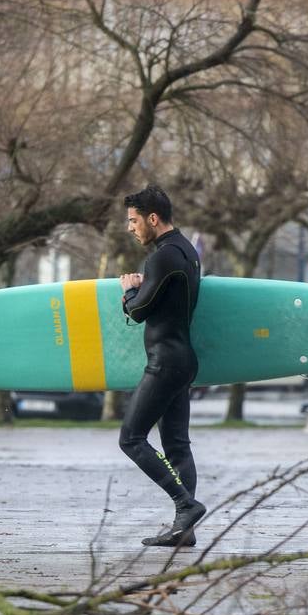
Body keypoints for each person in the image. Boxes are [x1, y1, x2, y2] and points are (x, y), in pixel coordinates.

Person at [118, 184, 206, 547]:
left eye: (134, 220)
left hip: (165, 361)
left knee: (131, 438)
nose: (131, 228)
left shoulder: (162, 257)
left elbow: (138, 312)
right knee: (177, 446)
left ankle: (186, 505)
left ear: (153, 219)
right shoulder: (188, 251)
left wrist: (128, 289)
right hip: (183, 358)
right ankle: (183, 530)